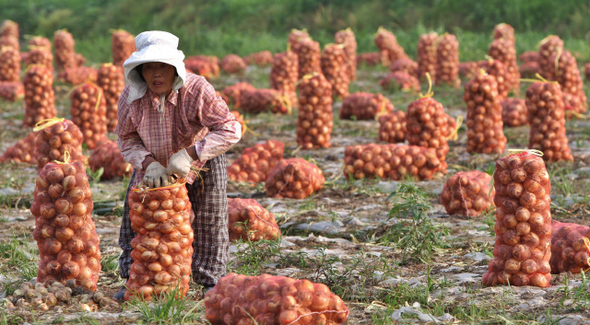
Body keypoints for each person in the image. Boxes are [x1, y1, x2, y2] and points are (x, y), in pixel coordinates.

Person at [113, 30, 241, 300]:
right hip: (153, 168)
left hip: (201, 161)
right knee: (135, 220)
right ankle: (136, 278)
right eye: (148, 67)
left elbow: (230, 128)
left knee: (210, 219)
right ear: (139, 70)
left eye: (162, 67)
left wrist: (191, 153)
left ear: (175, 68)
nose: (155, 75)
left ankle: (210, 281)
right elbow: (125, 138)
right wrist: (148, 163)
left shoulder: (196, 89)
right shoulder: (131, 97)